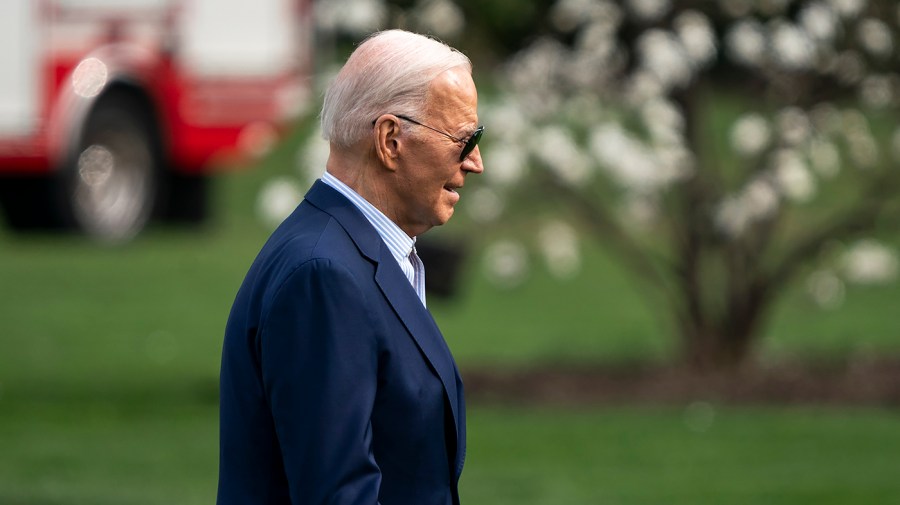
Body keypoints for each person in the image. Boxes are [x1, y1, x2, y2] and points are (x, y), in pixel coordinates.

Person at [217, 29, 484, 505]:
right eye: (464, 139)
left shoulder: (353, 253)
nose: (476, 162)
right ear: (390, 140)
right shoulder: (324, 275)